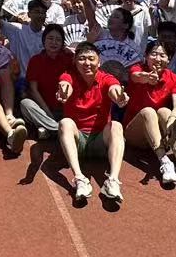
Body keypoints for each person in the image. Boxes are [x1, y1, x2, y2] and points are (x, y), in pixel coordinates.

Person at [53, 42, 130, 207]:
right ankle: (79, 178)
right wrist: (64, 92)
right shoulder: (68, 76)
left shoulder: (106, 78)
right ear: (75, 62)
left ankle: (112, 181)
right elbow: (65, 85)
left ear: (99, 62)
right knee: (65, 123)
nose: (87, 63)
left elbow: (114, 89)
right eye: (82, 59)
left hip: (100, 141)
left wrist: (119, 97)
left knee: (116, 125)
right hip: (79, 141)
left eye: (91, 58)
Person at [121, 41, 176, 190]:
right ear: (146, 56)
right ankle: (164, 161)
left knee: (165, 111)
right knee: (148, 111)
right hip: (135, 133)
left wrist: (173, 118)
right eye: (153, 54)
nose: (158, 58)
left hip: (159, 134)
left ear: (169, 59)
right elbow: (136, 76)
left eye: (162, 55)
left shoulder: (173, 78)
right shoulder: (137, 68)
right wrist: (146, 77)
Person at [18, 24, 75, 137]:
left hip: (65, 110)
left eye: (58, 40)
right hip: (43, 111)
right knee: (25, 104)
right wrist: (48, 114)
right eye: (50, 38)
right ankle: (58, 130)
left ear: (62, 43)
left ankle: (48, 129)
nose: (54, 42)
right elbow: (33, 90)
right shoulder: (36, 60)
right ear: (44, 40)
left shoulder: (69, 59)